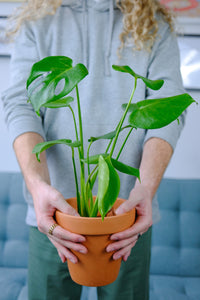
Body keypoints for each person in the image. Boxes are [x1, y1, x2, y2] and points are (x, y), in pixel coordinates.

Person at [2, 0, 186, 299]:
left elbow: (168, 109)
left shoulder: (152, 22)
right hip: (52, 213)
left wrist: (146, 188)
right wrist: (38, 188)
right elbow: (22, 104)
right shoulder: (39, 19)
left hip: (128, 214)